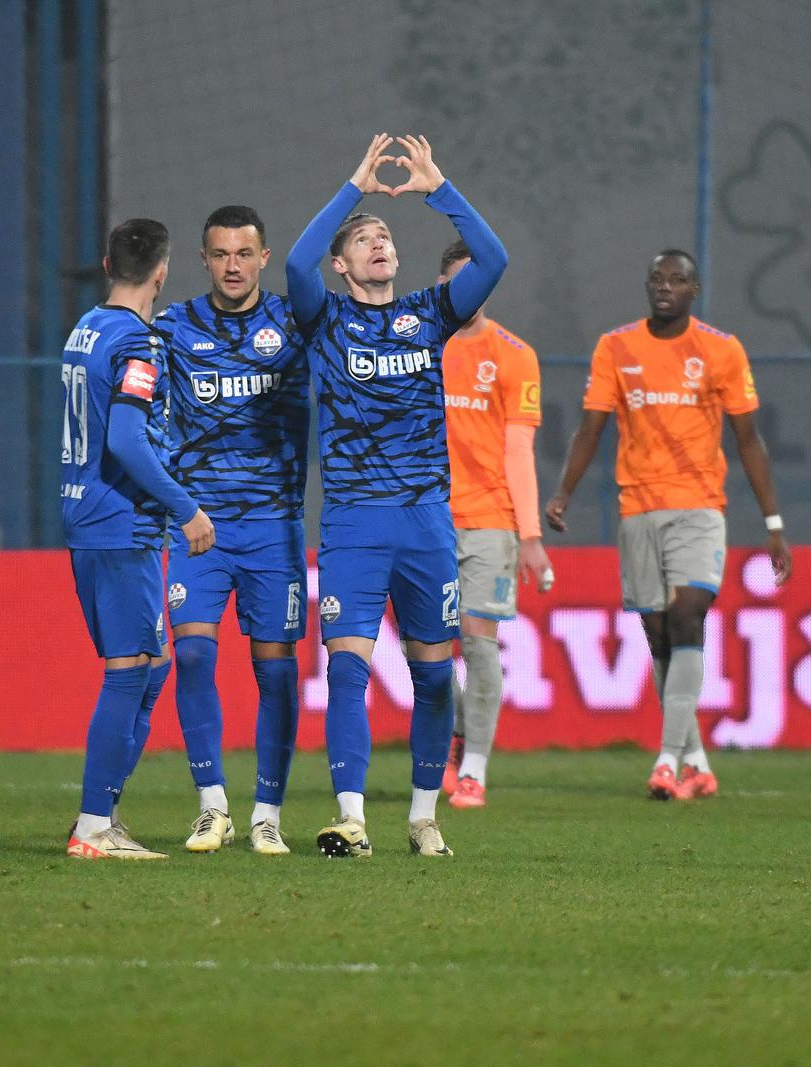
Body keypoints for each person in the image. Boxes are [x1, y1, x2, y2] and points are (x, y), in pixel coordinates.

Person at [284, 134, 507, 859]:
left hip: (425, 522)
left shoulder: (430, 312)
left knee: (435, 677)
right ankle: (351, 817)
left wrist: (438, 188)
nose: (377, 242)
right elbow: (292, 263)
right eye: (363, 240)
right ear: (342, 264)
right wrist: (353, 189)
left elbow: (495, 259)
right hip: (352, 520)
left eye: (384, 235)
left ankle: (422, 816)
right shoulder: (324, 320)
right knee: (346, 667)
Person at [546, 250, 791, 800]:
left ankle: (664, 761)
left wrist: (774, 523)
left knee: (686, 616)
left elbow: (749, 440)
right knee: (659, 633)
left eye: (677, 279)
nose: (665, 287)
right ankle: (697, 762)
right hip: (638, 508)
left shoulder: (720, 350)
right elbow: (590, 428)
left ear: (694, 290)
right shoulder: (617, 347)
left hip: (700, 507)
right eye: (657, 278)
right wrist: (564, 491)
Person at [155, 206, 308, 855]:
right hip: (201, 526)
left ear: (265, 257)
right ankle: (213, 804)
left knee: (275, 671)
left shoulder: (294, 326)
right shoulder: (171, 328)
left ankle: (267, 810)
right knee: (190, 653)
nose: (233, 265)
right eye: (220, 254)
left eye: (244, 253)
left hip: (274, 527)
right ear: (204, 258)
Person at [62, 218, 215, 861]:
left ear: (105, 264)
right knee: (129, 671)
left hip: (91, 517)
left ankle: (107, 812)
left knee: (151, 670)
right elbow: (125, 440)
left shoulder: (85, 329)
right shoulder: (138, 344)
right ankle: (93, 826)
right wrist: (187, 510)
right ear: (162, 271)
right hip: (119, 523)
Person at [436, 239, 552, 809]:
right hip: (425, 520)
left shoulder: (513, 355)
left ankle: (474, 768)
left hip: (489, 522)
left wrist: (529, 535)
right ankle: (454, 740)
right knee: (428, 649)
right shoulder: (415, 346)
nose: (471, 293)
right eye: (461, 282)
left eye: (480, 282)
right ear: (443, 286)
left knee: (479, 646)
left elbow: (518, 452)